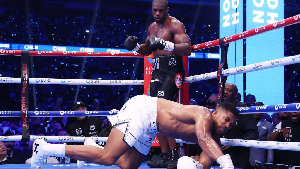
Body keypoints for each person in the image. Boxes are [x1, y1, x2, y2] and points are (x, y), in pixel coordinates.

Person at [31, 95, 238, 169]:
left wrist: (192, 165)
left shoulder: (214, 139)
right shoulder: (203, 114)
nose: (227, 124)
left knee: (127, 165)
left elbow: (204, 161)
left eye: (231, 123)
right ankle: (46, 148)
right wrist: (226, 162)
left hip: (151, 127)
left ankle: (93, 146)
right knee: (107, 158)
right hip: (143, 110)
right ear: (215, 112)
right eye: (226, 119)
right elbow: (202, 138)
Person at [123, 0, 192, 168]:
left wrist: (165, 44)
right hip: (157, 70)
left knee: (165, 113)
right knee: (153, 114)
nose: (158, 14)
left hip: (172, 69)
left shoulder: (175, 25)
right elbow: (149, 49)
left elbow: (187, 49)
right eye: (155, 10)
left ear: (167, 10)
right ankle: (165, 155)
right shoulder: (152, 27)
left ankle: (175, 156)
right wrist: (136, 47)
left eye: (161, 11)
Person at [221, 83, 258, 168]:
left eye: (229, 90)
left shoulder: (243, 109)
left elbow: (253, 133)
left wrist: (235, 142)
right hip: (218, 158)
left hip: (238, 159)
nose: (225, 92)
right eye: (224, 90)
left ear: (235, 95)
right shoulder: (218, 107)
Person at [249, 102, 274, 167]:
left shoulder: (269, 125)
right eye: (257, 109)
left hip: (260, 160)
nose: (258, 112)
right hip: (246, 160)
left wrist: (269, 163)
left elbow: (270, 146)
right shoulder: (248, 124)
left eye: (260, 110)